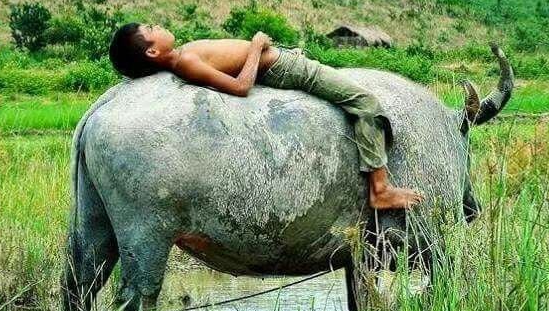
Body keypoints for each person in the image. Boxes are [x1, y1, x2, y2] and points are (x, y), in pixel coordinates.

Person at [108, 23, 423, 210]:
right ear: (152, 52)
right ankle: (380, 189)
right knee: (366, 102)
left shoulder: (182, 56)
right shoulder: (186, 63)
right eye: (152, 29)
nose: (159, 26)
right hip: (285, 68)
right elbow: (241, 87)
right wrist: (256, 46)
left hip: (282, 61)